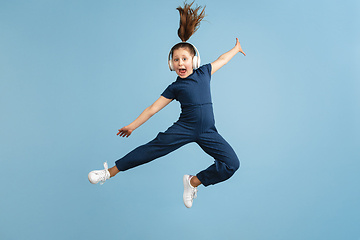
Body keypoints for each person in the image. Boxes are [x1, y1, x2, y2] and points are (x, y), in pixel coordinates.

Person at [88, 1, 246, 208]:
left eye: (184, 59)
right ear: (171, 64)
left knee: (232, 164)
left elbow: (222, 60)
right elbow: (153, 109)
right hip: (185, 128)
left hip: (208, 131)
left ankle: (193, 181)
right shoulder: (174, 87)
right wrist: (132, 126)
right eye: (176, 60)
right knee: (151, 150)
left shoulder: (204, 72)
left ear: (194, 61)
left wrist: (236, 49)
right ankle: (108, 173)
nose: (181, 63)